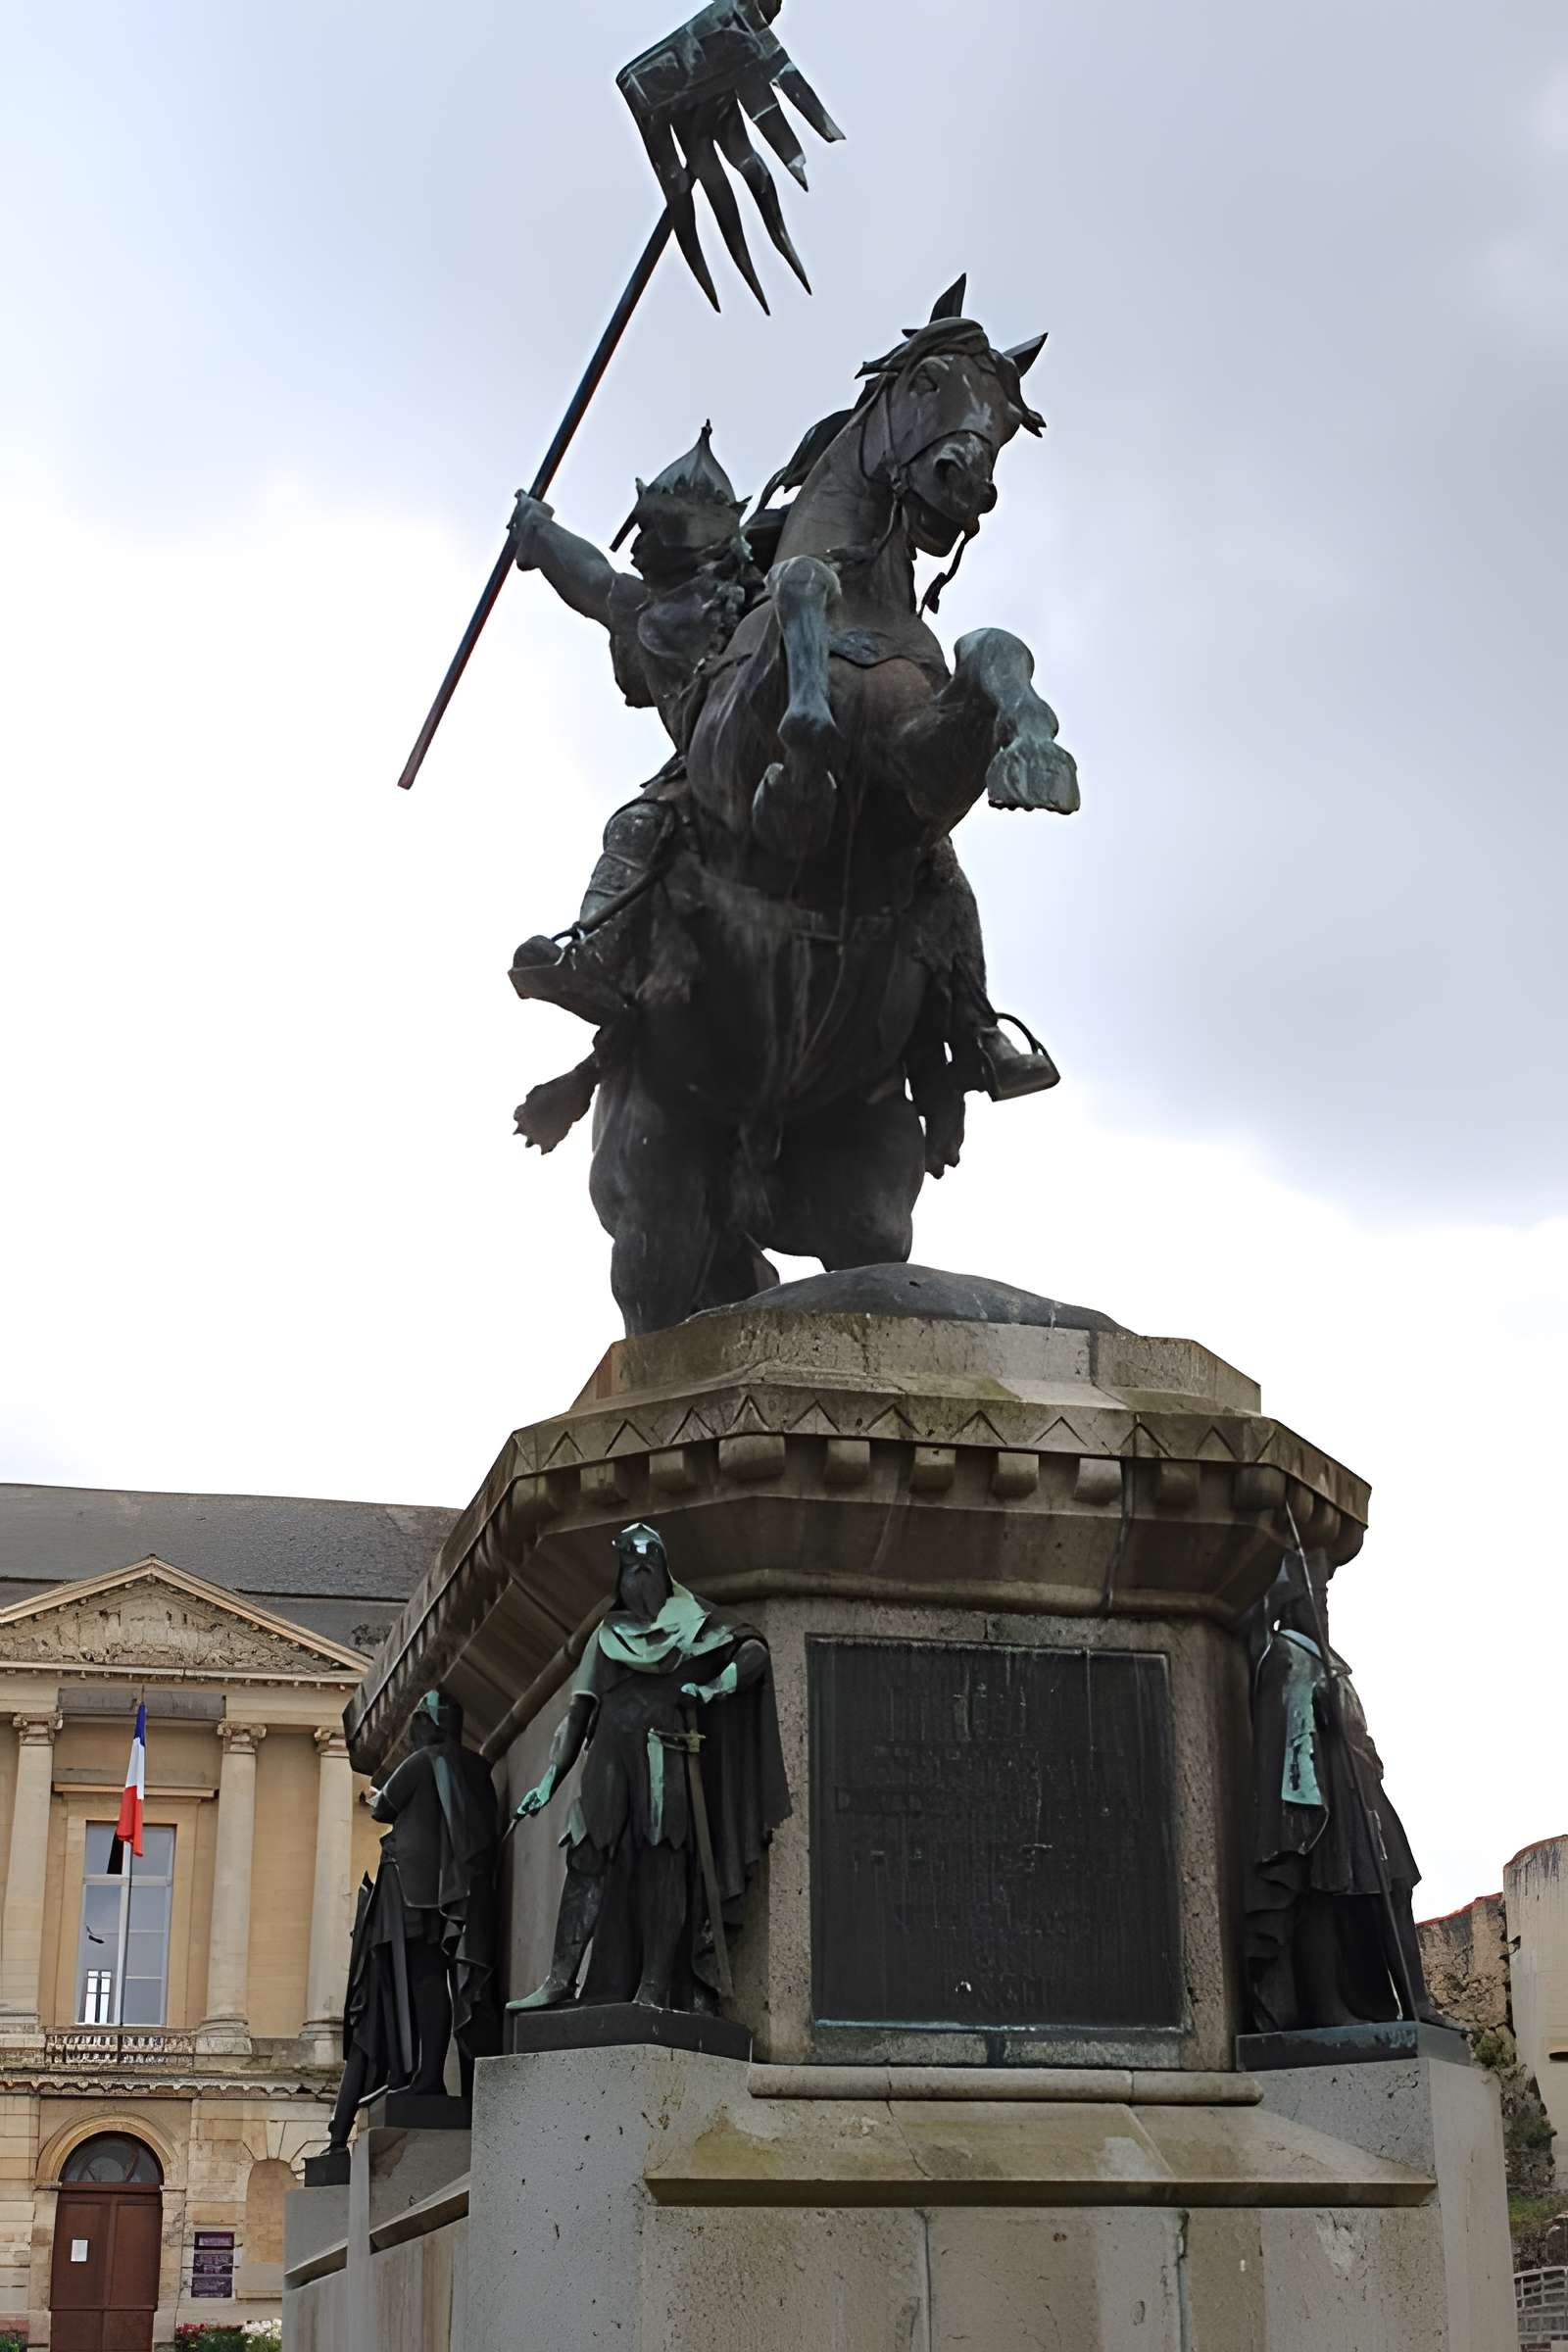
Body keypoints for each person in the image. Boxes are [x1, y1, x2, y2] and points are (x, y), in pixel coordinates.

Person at [505, 424, 1056, 1160]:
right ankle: (597, 952)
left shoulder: (754, 597)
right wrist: (539, 535)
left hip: (822, 755)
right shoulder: (651, 611)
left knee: (935, 867)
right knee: (637, 825)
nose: (663, 560)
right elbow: (589, 576)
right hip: (706, 774)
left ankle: (973, 1027)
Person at [512, 1521, 790, 2014]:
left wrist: (711, 1687)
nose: (639, 1574)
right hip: (610, 1750)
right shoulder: (608, 1634)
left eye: (648, 1564)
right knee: (586, 1852)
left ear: (663, 1570)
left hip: (668, 1746)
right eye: (630, 1567)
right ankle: (559, 1978)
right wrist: (550, 1780)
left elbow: (753, 1652)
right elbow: (580, 1711)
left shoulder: (698, 1621)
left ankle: (654, 1986)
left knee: (665, 1858)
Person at [1244, 1552, 1446, 2034]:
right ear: (1292, 1607)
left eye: (1325, 1602)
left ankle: (1416, 2002)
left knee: (1396, 1886)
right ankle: (1329, 2006)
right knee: (1321, 1897)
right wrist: (1316, 1715)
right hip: (1320, 1798)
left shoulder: (1334, 1664)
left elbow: (1362, 1733)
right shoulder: (1285, 1654)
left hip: (1364, 1792)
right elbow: (1283, 1735)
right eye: (1314, 1600)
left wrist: (1365, 1751)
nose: (1321, 1611)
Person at [325, 1690, 502, 2149]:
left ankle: (428, 2076)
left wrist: (378, 1792)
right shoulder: (479, 1767)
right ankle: (437, 2074)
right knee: (452, 1981)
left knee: (425, 1980)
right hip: (460, 1893)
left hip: (416, 1890)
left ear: (427, 1724)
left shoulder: (422, 1761)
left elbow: (382, 1808)